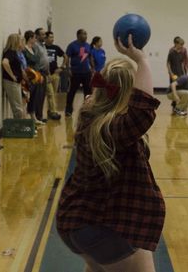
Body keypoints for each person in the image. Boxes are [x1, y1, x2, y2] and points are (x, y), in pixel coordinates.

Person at [57, 35, 165, 272]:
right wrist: (142, 60)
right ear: (128, 92)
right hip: (104, 226)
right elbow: (143, 110)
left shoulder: (89, 115)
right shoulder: (115, 128)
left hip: (74, 222)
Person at [34, 28, 62, 121]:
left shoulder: (42, 46)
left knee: (45, 95)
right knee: (43, 95)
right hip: (39, 73)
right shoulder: (35, 46)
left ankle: (42, 115)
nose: (44, 36)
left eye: (45, 34)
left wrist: (49, 73)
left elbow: (46, 61)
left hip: (46, 73)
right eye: (42, 34)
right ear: (37, 36)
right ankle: (39, 116)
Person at [65, 29, 92, 117]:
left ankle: (86, 110)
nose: (86, 36)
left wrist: (93, 68)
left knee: (88, 92)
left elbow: (90, 57)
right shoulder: (72, 45)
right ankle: (68, 110)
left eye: (86, 34)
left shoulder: (88, 46)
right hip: (75, 73)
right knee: (72, 91)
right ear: (78, 35)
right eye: (84, 34)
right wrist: (68, 69)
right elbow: (67, 57)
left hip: (86, 72)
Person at [23, 30, 46, 125]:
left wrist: (39, 75)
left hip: (36, 75)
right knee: (28, 97)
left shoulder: (33, 49)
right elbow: (24, 64)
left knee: (35, 97)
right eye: (34, 38)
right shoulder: (24, 50)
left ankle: (34, 117)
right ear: (30, 38)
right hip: (29, 76)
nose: (35, 40)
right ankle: (26, 117)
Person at [2, 33, 26, 119]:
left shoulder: (15, 52)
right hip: (11, 82)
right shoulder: (10, 52)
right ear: (15, 42)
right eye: (20, 41)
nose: (22, 42)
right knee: (18, 108)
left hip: (16, 83)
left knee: (19, 106)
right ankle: (18, 128)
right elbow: (5, 63)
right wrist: (12, 76)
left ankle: (19, 127)